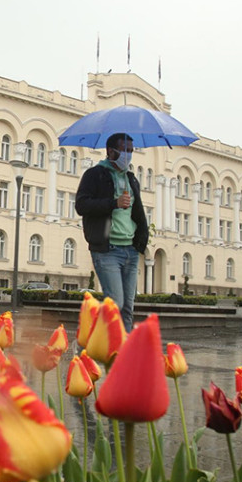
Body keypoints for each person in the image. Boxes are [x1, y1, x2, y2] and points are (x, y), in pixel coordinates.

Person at [75, 132, 148, 332]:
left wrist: (141, 240)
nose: (128, 155)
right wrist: (113, 203)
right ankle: (94, 341)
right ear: (110, 151)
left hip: (130, 250)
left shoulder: (131, 179)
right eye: (124, 150)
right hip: (107, 249)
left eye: (131, 151)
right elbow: (82, 205)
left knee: (128, 307)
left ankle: (123, 355)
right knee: (115, 303)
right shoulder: (95, 174)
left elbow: (138, 212)